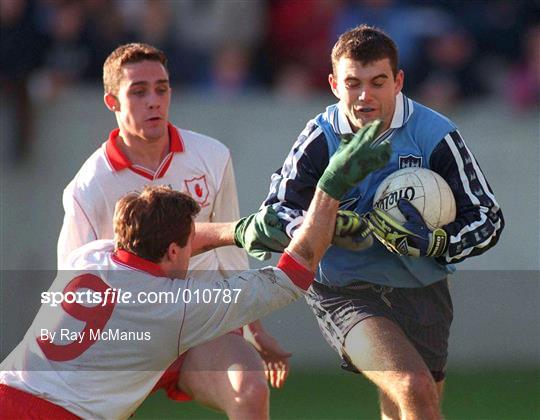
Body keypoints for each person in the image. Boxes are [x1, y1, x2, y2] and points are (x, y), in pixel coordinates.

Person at [0, 118, 390, 418]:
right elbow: (294, 271)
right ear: (172, 250)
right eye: (187, 243)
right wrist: (330, 188)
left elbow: (184, 239)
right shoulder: (181, 306)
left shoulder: (92, 257)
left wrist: (240, 232)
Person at [249, 25, 504, 419]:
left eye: (378, 82)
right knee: (412, 387)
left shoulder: (434, 134)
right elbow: (275, 213)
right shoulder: (320, 137)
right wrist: (326, 224)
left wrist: (437, 242)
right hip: (345, 290)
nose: (365, 95)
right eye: (353, 83)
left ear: (398, 81)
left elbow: (487, 217)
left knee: (412, 404)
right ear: (334, 84)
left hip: (422, 286)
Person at [54, 42, 290, 418]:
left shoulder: (211, 156)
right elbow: (74, 286)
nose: (153, 101)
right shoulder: (88, 186)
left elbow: (229, 254)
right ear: (112, 102)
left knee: (249, 388)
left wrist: (256, 331)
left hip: (201, 322)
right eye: (138, 91)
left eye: (161, 89)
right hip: (129, 335)